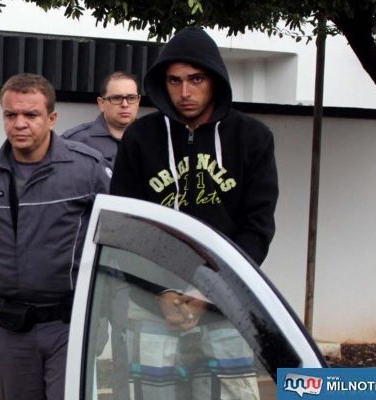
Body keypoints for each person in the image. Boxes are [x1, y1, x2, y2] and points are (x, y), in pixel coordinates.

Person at [110, 26, 279, 399]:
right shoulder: (140, 138)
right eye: (174, 81)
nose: (185, 92)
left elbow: (257, 227)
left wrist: (210, 291)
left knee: (233, 395)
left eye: (196, 79)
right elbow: (127, 227)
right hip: (154, 302)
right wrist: (162, 291)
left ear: (215, 79)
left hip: (226, 305)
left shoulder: (252, 138)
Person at [0, 73, 111, 400]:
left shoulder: (87, 169)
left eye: (31, 115)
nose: (19, 123)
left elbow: (116, 242)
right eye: (10, 114)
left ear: (52, 118)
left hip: (69, 326)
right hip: (11, 331)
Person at [62, 71, 141, 164]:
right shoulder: (75, 141)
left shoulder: (154, 138)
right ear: (101, 103)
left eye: (131, 98)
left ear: (138, 101)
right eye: (116, 98)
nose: (125, 104)